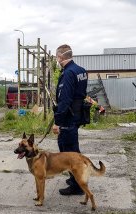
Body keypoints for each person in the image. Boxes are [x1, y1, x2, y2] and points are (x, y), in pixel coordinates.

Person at [52, 44, 88, 195]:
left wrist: (57, 122)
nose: (56, 59)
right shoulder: (81, 71)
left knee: (68, 153)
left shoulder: (68, 73)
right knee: (74, 150)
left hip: (68, 117)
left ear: (60, 57)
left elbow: (65, 100)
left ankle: (77, 186)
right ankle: (76, 179)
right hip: (77, 115)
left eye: (56, 56)